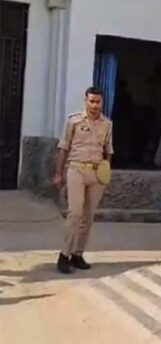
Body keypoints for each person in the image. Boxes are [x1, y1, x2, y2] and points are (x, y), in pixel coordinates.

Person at [53, 87, 113, 274]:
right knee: (75, 213)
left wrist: (106, 171)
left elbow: (108, 150)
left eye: (98, 102)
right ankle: (64, 255)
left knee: (88, 217)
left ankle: (77, 254)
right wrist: (58, 173)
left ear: (102, 103)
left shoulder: (107, 124)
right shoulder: (74, 121)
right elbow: (63, 147)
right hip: (76, 169)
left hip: (96, 173)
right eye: (91, 101)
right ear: (86, 101)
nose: (95, 105)